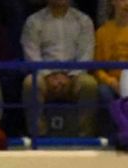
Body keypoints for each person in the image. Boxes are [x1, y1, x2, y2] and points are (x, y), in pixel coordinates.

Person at [20, 0, 98, 137]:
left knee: (89, 84)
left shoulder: (84, 21)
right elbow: (31, 54)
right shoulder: (33, 21)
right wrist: (47, 75)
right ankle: (39, 136)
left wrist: (71, 75)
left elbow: (86, 54)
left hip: (73, 77)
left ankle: (84, 137)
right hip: (45, 77)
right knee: (30, 83)